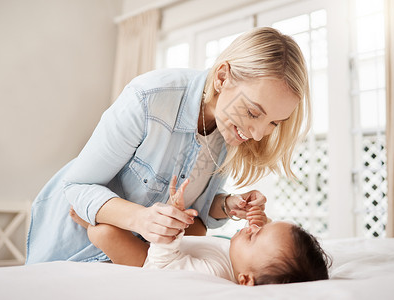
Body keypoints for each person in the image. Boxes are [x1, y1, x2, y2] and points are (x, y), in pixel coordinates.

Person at [26, 26, 311, 265]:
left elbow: (188, 204)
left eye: (275, 122)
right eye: (253, 112)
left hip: (131, 259)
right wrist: (141, 219)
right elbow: (76, 186)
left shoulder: (229, 131)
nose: (259, 134)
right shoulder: (150, 98)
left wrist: (226, 205)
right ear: (223, 77)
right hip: (72, 245)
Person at [70, 176, 331, 285]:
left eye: (253, 235)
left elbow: (164, 264)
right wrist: (258, 218)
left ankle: (88, 220)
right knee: (198, 226)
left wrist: (170, 229)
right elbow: (268, 244)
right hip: (184, 250)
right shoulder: (247, 261)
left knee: (104, 233)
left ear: (245, 280)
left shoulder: (212, 274)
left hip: (150, 261)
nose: (251, 228)